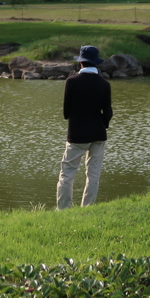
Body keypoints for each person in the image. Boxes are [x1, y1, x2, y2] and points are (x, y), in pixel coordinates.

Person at [56, 45, 113, 210]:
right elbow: (108, 112)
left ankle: (63, 210)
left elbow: (66, 112)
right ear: (96, 63)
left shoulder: (72, 81)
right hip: (98, 134)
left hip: (77, 135)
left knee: (67, 175)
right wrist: (103, 125)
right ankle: (87, 209)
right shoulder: (104, 84)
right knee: (93, 175)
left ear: (81, 63)